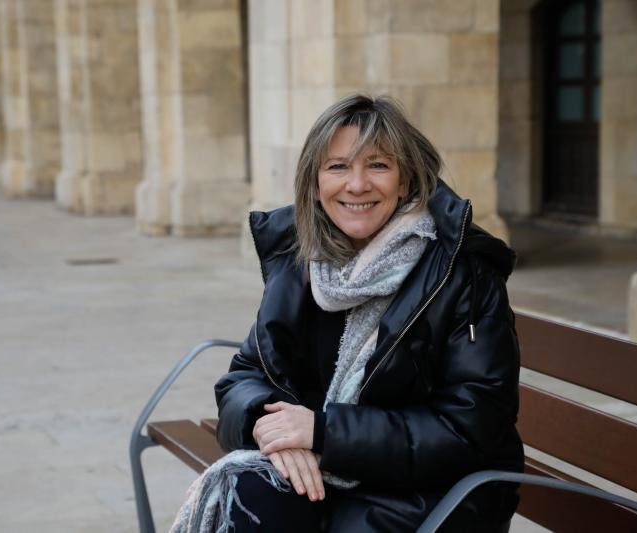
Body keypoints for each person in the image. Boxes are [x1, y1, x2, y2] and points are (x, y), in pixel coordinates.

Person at [172, 94, 523, 533]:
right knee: (250, 496)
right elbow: (247, 373)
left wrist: (323, 433)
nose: (357, 185)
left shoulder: (462, 273)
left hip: (434, 491)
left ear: (406, 179)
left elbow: (470, 428)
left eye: (377, 165)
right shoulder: (303, 260)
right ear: (315, 184)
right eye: (338, 167)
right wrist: (270, 425)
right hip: (329, 471)